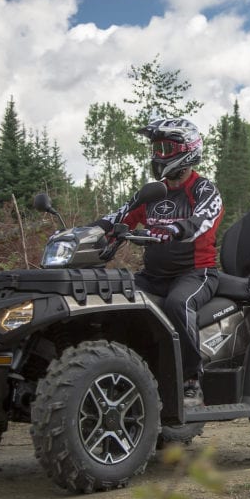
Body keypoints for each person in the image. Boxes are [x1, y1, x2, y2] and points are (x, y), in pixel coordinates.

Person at [93, 118, 223, 409]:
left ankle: (192, 380)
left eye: (166, 147)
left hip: (196, 273)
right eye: (156, 148)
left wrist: (175, 229)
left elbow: (204, 221)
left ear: (188, 151)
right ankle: (120, 372)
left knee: (178, 304)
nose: (158, 155)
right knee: (113, 296)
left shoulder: (203, 189)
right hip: (153, 276)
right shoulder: (152, 192)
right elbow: (119, 216)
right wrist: (91, 231)